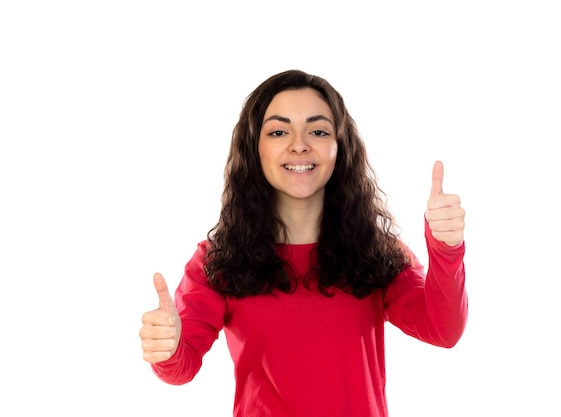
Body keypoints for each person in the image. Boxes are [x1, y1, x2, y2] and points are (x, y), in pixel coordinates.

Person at [139, 69, 468, 417]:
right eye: (279, 131)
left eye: (318, 131)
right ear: (255, 149)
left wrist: (446, 249)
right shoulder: (219, 259)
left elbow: (444, 329)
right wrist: (168, 347)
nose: (299, 144)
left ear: (339, 148)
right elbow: (181, 367)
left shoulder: (377, 251)